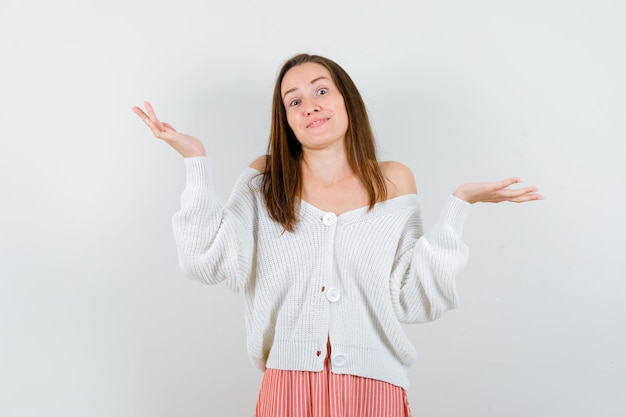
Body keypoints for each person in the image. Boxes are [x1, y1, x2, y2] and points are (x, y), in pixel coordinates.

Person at [132, 53, 542, 417]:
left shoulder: (393, 180)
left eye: (321, 91)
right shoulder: (265, 180)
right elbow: (206, 259)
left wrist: (458, 205)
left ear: (346, 100)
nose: (309, 107)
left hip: (376, 391)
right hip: (288, 391)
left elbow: (413, 297)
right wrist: (195, 161)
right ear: (287, 120)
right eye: (294, 101)